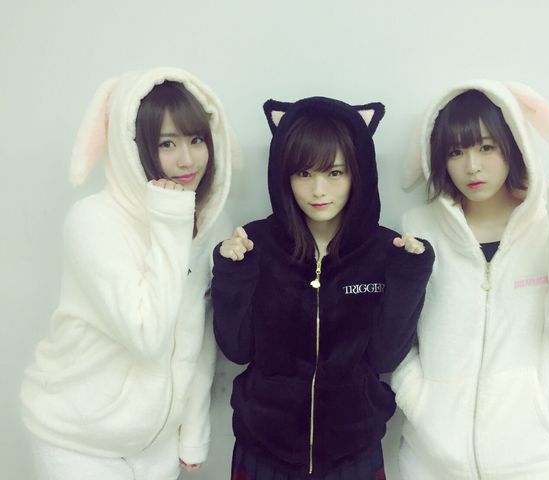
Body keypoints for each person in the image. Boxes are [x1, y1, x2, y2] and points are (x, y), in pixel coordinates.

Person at [20, 67, 233, 480]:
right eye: (166, 143)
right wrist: (171, 220)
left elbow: (198, 334)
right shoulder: (92, 220)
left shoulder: (209, 225)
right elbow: (147, 334)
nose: (187, 159)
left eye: (196, 140)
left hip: (156, 443)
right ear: (133, 147)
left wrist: (193, 430)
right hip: (77, 437)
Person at [391, 81, 549, 479]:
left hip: (531, 463)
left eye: (486, 147)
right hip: (430, 462)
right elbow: (398, 333)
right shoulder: (419, 228)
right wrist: (418, 400)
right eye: (455, 152)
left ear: (515, 146)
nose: (471, 166)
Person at [211, 96, 434, 479]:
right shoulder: (254, 244)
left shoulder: (384, 250)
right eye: (303, 173)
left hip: (353, 456)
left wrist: (410, 276)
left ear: (358, 172)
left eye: (335, 172)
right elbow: (237, 349)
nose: (318, 190)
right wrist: (233, 273)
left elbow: (385, 358)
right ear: (283, 175)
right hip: (264, 451)